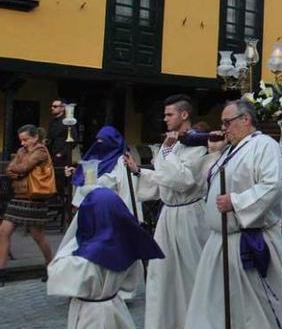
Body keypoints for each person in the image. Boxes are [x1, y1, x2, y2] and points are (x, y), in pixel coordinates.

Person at [185, 100, 282, 329]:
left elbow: (273, 186)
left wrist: (236, 201)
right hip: (219, 242)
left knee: (252, 311)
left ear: (246, 119)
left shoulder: (265, 146)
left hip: (246, 239)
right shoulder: (229, 150)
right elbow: (206, 181)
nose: (223, 128)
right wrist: (213, 152)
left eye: (227, 122)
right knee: (216, 307)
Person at [123, 94, 210, 329]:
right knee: (162, 272)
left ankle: (194, 322)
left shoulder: (199, 145)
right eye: (164, 114)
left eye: (169, 114)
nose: (165, 119)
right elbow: (164, 178)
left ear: (184, 115)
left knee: (190, 271)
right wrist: (140, 171)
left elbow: (183, 180)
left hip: (190, 215)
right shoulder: (170, 144)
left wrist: (168, 151)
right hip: (168, 215)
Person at [47, 188, 163, 329]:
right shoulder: (126, 246)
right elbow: (130, 283)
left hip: (89, 315)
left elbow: (57, 274)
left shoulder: (85, 257)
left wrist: (75, 239)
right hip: (116, 307)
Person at [0, 125, 55, 282]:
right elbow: (9, 169)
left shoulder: (41, 151)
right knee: (3, 231)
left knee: (37, 236)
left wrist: (19, 170)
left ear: (35, 137)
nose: (23, 143)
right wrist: (19, 171)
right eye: (21, 140)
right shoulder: (21, 151)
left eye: (26, 139)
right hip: (19, 196)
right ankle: (1, 271)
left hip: (34, 197)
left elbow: (24, 166)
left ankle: (50, 266)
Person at [67, 126, 141, 217]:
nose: (99, 145)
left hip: (110, 210)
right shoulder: (96, 158)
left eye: (103, 142)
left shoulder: (122, 161)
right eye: (98, 141)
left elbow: (126, 190)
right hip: (89, 209)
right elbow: (89, 175)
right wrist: (78, 174)